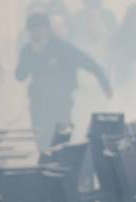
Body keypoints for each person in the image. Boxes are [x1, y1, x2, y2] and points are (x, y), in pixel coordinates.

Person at [15, 12, 112, 149]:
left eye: (40, 28)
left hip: (61, 102)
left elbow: (87, 61)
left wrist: (104, 81)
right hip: (39, 103)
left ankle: (59, 163)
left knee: (60, 140)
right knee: (42, 140)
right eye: (33, 29)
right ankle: (44, 163)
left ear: (47, 29)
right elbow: (19, 75)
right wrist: (32, 56)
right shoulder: (28, 50)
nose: (37, 33)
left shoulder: (61, 47)